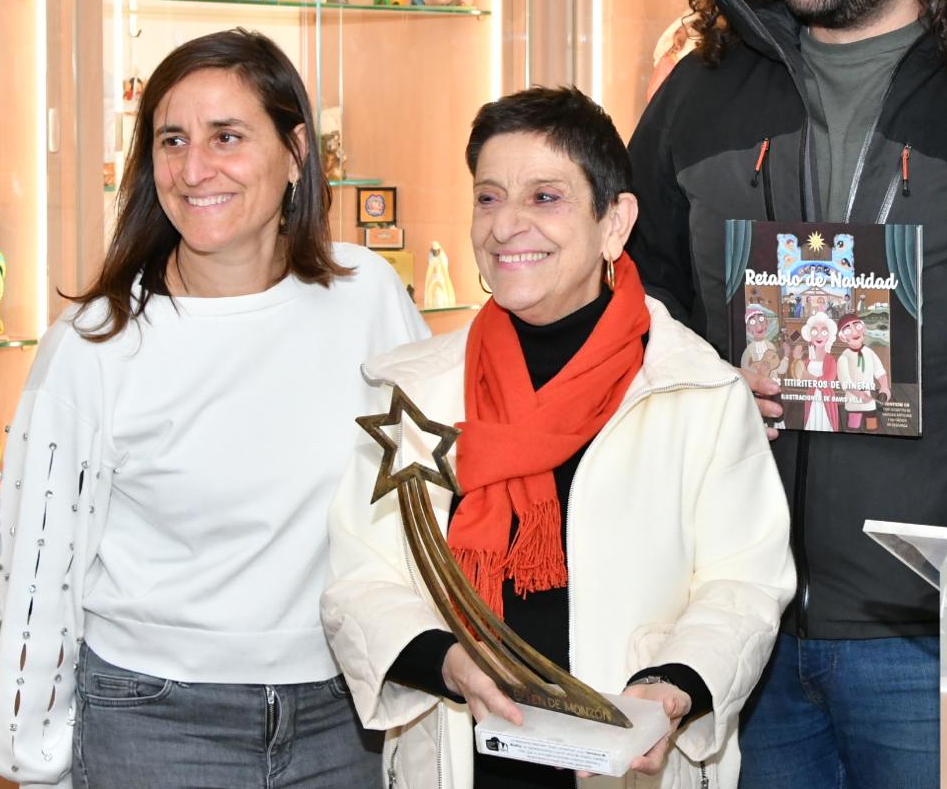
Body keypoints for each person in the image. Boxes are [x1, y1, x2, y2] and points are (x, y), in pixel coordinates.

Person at [626, 0, 947, 787]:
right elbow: (632, 297)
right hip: (737, 622)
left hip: (930, 631)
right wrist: (705, 381)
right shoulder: (704, 89)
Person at [0, 29, 428, 787]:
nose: (194, 170)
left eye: (227, 136)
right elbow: (36, 570)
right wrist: (35, 762)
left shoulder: (367, 295)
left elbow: (422, 505)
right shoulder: (96, 342)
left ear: (296, 152)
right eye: (172, 141)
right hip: (153, 721)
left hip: (342, 715)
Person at [322, 87, 793, 789]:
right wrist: (446, 660)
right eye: (488, 198)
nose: (506, 225)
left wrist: (673, 685)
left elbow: (743, 582)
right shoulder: (413, 392)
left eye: (545, 197)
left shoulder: (697, 391)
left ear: (615, 222)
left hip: (628, 757)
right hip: (460, 758)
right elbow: (361, 576)